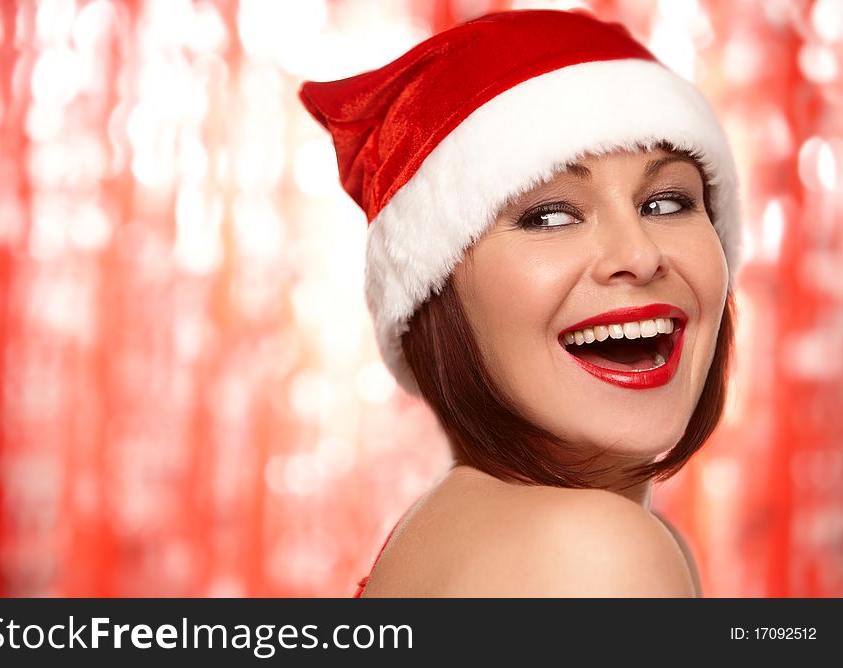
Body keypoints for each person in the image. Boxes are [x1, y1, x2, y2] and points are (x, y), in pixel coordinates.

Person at [298, 8, 740, 597]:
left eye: (666, 203)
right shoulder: (593, 554)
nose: (638, 254)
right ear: (437, 291)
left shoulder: (453, 530)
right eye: (549, 215)